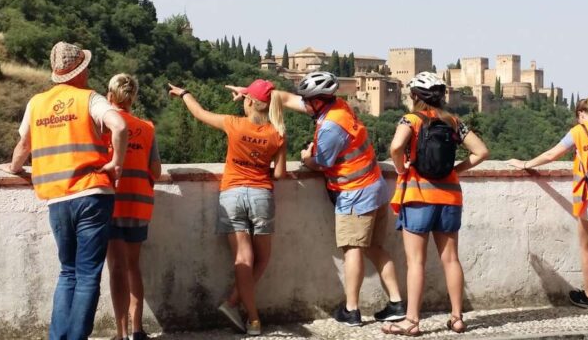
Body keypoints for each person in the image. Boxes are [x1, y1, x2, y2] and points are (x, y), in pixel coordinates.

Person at [227, 72, 405, 327]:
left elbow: (321, 163)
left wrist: (304, 157)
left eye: (307, 100)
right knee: (376, 248)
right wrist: (251, 92)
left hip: (354, 193)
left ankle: (351, 310)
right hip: (375, 187)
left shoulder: (331, 127)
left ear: (318, 101)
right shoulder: (338, 107)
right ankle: (397, 303)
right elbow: (286, 98)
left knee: (352, 249)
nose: (304, 103)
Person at [0, 41, 128, 340]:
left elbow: (24, 146)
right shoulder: (89, 98)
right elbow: (119, 126)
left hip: (57, 198)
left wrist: (14, 169)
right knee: (87, 276)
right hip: (93, 194)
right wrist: (117, 163)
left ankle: (58, 337)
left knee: (67, 272)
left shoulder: (36, 103)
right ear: (81, 70)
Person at [169, 79, 286, 336]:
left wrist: (185, 93)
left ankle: (251, 317)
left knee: (243, 258)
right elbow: (279, 173)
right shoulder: (277, 133)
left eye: (246, 99)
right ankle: (235, 306)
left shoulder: (233, 124)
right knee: (262, 258)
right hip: (261, 195)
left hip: (231, 194)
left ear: (251, 103)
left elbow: (199, 113)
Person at [507, 96, 588, 318]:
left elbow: (551, 155)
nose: (578, 119)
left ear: (583, 114)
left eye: (579, 115)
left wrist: (525, 163)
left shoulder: (579, 131)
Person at [383, 72, 488, 336]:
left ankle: (412, 321)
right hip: (450, 197)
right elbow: (482, 152)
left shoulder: (411, 119)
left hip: (419, 196)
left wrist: (401, 168)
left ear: (415, 96)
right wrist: (457, 170)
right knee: (451, 259)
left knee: (416, 262)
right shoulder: (453, 121)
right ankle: (457, 318)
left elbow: (396, 147)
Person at [103, 74, 161, 340]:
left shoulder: (104, 126)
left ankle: (121, 333)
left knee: (116, 267)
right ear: (133, 97)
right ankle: (138, 330)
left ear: (110, 96)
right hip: (140, 204)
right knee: (133, 266)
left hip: (112, 201)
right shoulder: (147, 127)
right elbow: (156, 171)